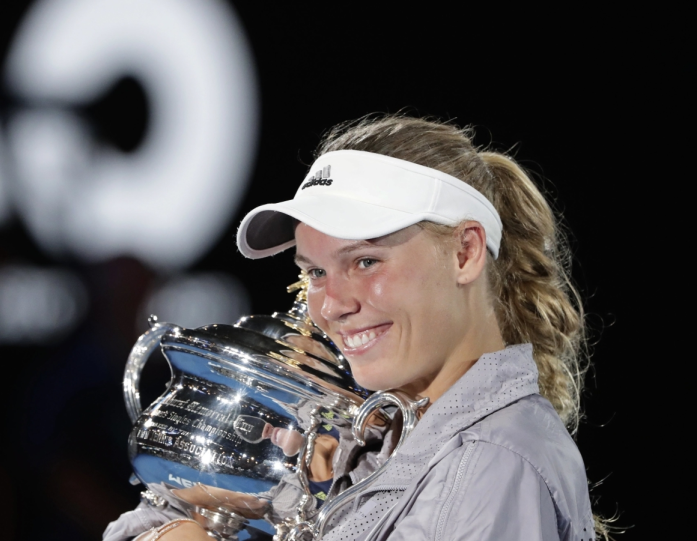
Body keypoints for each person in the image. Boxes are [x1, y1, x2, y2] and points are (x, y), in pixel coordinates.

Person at [104, 115, 609, 540]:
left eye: (366, 261)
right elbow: (161, 515)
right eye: (316, 272)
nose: (333, 305)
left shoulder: (491, 464)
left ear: (465, 252)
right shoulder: (364, 444)